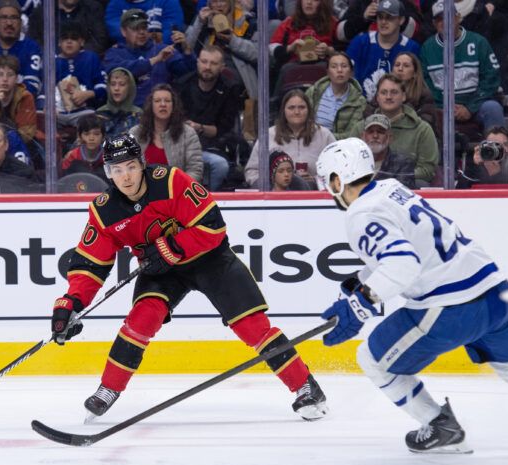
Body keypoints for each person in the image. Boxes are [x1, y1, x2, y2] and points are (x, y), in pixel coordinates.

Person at [315, 137, 508, 453]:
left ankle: (441, 425)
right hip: (495, 294)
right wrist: (359, 283)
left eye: (326, 180)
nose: (325, 189)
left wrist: (362, 302)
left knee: (372, 359)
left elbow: (403, 263)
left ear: (338, 179)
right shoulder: (391, 189)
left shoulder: (360, 213)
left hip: (450, 308)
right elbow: (414, 246)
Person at [50, 133, 328, 422]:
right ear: (108, 173)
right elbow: (90, 263)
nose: (126, 177)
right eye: (117, 170)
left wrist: (172, 246)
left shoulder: (171, 181)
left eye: (131, 166)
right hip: (162, 271)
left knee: (251, 325)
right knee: (140, 320)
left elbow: (212, 226)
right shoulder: (104, 210)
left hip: (210, 260)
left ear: (142, 164)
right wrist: (71, 302)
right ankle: (107, 389)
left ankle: (306, 387)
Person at [420, 1, 505, 131]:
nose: (445, 22)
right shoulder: (427, 48)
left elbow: (491, 79)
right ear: (434, 24)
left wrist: (470, 107)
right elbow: (426, 84)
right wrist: (446, 107)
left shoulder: (478, 42)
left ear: (458, 18)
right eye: (439, 19)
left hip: (477, 104)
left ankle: (495, 149)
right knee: (425, 115)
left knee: (492, 108)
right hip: (441, 108)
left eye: (449, 16)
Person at [174, 44, 240, 191]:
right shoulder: (182, 85)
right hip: (182, 147)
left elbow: (224, 129)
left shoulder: (230, 89)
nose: (207, 67)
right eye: (204, 62)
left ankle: (205, 198)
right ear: (197, 62)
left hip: (213, 146)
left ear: (222, 67)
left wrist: (200, 128)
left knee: (221, 165)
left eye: (213, 63)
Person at [102, 9, 195, 109]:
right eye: (136, 28)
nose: (142, 32)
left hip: (159, 111)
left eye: (144, 27)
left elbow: (187, 71)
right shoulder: (114, 53)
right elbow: (122, 71)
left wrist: (187, 50)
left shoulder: (161, 49)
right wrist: (155, 60)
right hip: (127, 114)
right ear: (123, 31)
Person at [244, 89, 335, 189]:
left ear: (309, 110)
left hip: (315, 195)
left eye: (301, 107)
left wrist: (316, 180)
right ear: (283, 111)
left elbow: (338, 171)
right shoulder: (268, 135)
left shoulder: (324, 135)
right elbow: (252, 171)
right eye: (291, 108)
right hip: (276, 197)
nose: (297, 112)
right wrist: (274, 184)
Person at [345, 0, 420, 102]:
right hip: (360, 107)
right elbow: (348, 80)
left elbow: (415, 87)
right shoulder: (360, 43)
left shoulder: (411, 48)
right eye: (380, 17)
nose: (383, 22)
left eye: (389, 17)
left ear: (401, 20)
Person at [129, 83, 203, 183]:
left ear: (173, 105)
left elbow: (195, 171)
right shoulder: (135, 133)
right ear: (151, 105)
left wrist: (175, 187)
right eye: (158, 101)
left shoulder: (188, 133)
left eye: (167, 101)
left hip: (177, 192)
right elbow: (127, 168)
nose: (163, 104)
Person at [373, 73, 437, 185]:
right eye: (384, 92)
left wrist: (393, 176)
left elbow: (427, 171)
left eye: (394, 92)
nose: (388, 97)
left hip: (407, 189)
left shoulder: (422, 130)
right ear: (377, 97)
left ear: (403, 96)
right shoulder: (362, 128)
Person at [304, 51, 367, 140]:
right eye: (334, 66)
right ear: (328, 72)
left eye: (344, 66)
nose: (339, 70)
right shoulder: (314, 92)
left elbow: (353, 134)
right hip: (309, 140)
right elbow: (302, 122)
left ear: (351, 72)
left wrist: (323, 137)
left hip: (340, 147)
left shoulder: (359, 101)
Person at [456, 125, 508, 189]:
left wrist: (496, 175)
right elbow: (458, 197)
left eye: (504, 144)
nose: (500, 149)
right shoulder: (475, 173)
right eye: (493, 145)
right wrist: (473, 167)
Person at [54, 22, 107, 123]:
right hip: (58, 112)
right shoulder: (52, 61)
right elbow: (44, 91)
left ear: (82, 42)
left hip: (85, 111)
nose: (69, 41)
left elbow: (103, 86)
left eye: (74, 38)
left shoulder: (91, 58)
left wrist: (89, 94)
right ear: (59, 42)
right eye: (65, 38)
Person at [28, 0, 110, 55]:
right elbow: (34, 42)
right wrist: (59, 54)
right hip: (52, 64)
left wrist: (77, 53)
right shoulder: (42, 12)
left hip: (85, 61)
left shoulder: (93, 8)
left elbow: (100, 40)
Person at [0, 54, 37, 144]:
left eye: (10, 75)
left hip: (19, 144)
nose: (5, 79)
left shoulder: (25, 96)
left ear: (16, 78)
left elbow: (26, 133)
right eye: (0, 74)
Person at [361, 113, 415, 189]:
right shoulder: (354, 162)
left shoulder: (403, 164)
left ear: (390, 138)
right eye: (370, 132)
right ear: (363, 137)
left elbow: (402, 194)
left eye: (380, 132)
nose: (375, 136)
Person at [104, 0, 184, 45]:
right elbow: (116, 33)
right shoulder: (115, 4)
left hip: (163, 52)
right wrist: (150, 37)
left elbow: (172, 31)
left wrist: (139, 38)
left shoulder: (168, 1)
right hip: (128, 54)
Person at [391, 51, 436, 131]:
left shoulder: (424, 95)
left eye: (406, 66)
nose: (400, 69)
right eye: (397, 65)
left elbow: (426, 123)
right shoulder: (383, 91)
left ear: (415, 73)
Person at [95, 67, 142, 139]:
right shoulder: (100, 114)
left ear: (130, 88)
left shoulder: (138, 114)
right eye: (113, 84)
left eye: (122, 84)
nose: (116, 88)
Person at [60, 113, 106, 181]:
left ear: (103, 136)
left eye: (96, 134)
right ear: (80, 136)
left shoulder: (108, 157)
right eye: (86, 134)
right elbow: (64, 180)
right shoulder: (72, 156)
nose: (91, 138)